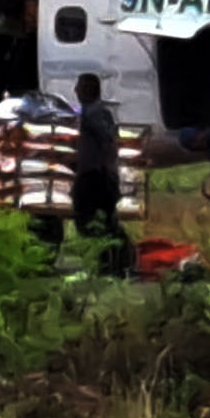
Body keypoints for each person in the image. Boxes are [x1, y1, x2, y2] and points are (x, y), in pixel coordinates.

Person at [71, 73, 133, 278]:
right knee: (103, 221)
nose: (75, 91)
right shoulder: (92, 113)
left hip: (95, 177)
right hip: (97, 175)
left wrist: (105, 170)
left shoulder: (94, 113)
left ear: (88, 90)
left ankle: (115, 263)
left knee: (92, 220)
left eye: (79, 87)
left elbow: (107, 141)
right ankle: (114, 262)